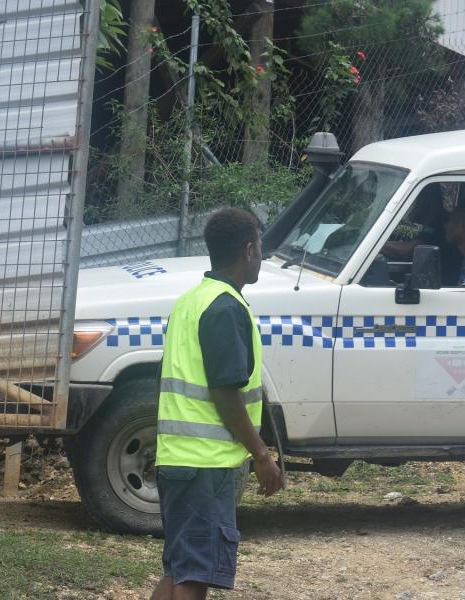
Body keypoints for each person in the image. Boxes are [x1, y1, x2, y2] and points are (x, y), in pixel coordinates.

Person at [151, 208, 283, 600]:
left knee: (180, 568)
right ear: (248, 250)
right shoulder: (225, 308)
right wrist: (260, 455)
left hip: (177, 460)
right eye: (259, 247)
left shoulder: (192, 300)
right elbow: (225, 393)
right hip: (205, 465)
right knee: (194, 574)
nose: (260, 255)